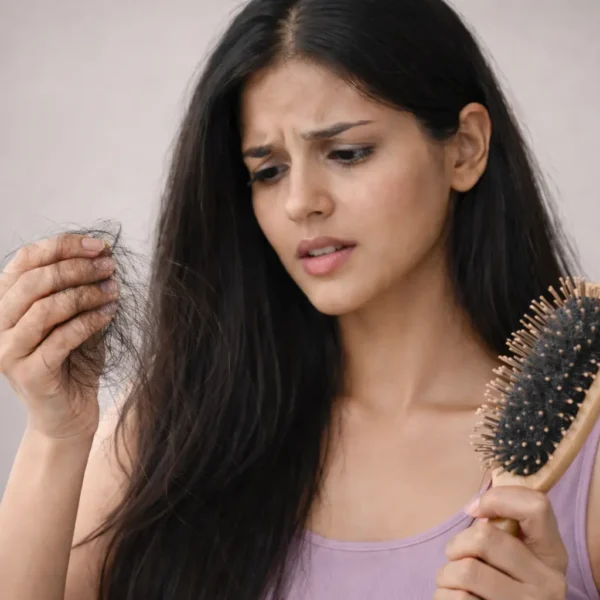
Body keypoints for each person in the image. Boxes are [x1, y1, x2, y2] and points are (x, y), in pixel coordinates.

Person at [0, 0, 598, 598]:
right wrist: (57, 436)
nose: (300, 202)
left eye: (347, 153)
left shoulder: (580, 459)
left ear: (464, 148)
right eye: (268, 170)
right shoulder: (166, 433)